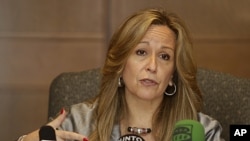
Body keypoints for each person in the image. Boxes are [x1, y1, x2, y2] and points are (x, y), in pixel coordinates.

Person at [18, 8, 224, 141]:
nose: (152, 66)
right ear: (120, 64)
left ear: (172, 74)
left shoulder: (203, 131)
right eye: (141, 52)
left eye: (164, 56)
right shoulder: (79, 123)